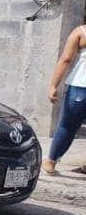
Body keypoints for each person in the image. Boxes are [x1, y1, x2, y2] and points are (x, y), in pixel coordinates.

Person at [43, 23, 86, 174]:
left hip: (80, 88)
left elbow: (66, 60)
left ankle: (51, 162)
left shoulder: (81, 32)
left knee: (67, 127)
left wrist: (53, 85)